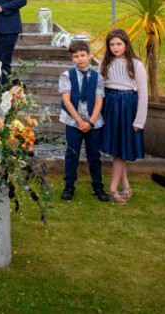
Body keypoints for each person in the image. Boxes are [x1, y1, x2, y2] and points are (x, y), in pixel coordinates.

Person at [99, 28, 148, 204]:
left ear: (126, 44)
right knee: (118, 148)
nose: (115, 47)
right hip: (111, 107)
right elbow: (99, 89)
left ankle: (112, 188)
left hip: (128, 108)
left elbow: (143, 94)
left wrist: (139, 120)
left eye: (119, 44)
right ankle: (125, 184)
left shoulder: (136, 64)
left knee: (122, 149)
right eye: (112, 44)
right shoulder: (105, 64)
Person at [59, 40, 110, 202]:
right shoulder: (66, 76)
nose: (80, 59)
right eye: (76, 56)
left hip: (93, 123)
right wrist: (80, 121)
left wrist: (90, 122)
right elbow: (66, 100)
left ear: (90, 56)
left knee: (94, 154)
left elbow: (99, 101)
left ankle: (98, 186)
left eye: (83, 55)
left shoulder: (98, 77)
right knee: (72, 153)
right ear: (71, 58)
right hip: (73, 121)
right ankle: (69, 185)